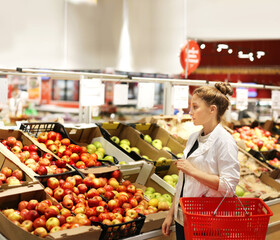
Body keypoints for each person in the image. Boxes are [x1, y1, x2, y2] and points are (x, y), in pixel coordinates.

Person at [162, 82, 240, 239]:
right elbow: (184, 181)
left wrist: (192, 170)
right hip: (183, 217)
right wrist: (171, 213)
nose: (190, 112)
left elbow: (229, 186)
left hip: (207, 220)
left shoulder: (225, 141)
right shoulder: (193, 138)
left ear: (212, 110)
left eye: (195, 107)